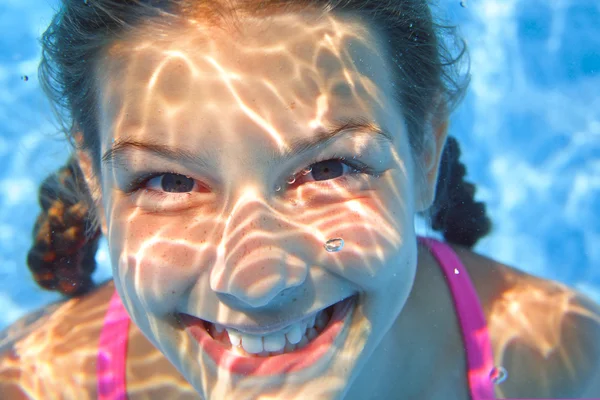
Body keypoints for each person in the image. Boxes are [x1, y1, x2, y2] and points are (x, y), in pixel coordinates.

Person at [1, 0, 599, 399]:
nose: (256, 283)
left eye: (330, 167)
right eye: (170, 182)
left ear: (426, 153)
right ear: (96, 185)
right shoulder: (32, 383)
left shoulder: (560, 355)